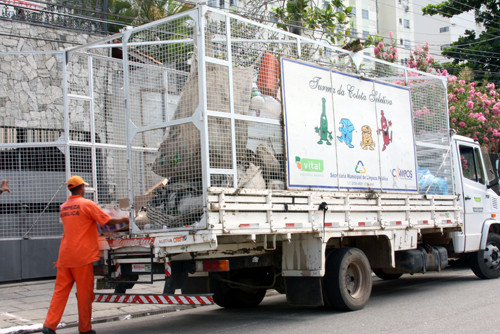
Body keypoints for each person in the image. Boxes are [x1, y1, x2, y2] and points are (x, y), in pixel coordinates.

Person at [42, 176, 129, 334]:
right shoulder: (87, 204)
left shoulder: (64, 207)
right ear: (81, 188)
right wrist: (126, 220)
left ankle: (49, 325)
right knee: (84, 295)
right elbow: (106, 222)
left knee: (59, 293)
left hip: (65, 256)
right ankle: (85, 328)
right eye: (83, 187)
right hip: (82, 256)